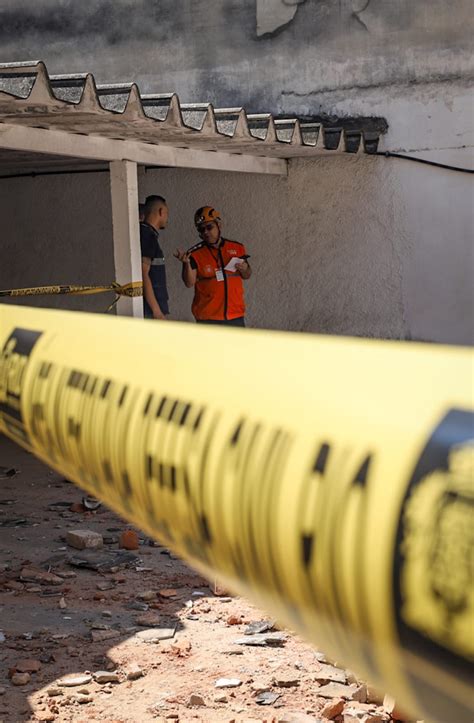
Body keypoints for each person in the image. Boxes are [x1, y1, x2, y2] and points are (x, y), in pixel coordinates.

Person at [174, 206, 251, 326]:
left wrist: (245, 268)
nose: (205, 232)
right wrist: (186, 264)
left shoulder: (237, 248)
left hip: (235, 316)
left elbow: (247, 275)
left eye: (209, 227)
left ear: (219, 226)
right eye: (201, 229)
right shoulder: (194, 254)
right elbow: (189, 283)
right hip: (208, 318)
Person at [140, 195, 169, 320]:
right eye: (167, 213)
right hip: (149, 312)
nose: (167, 217)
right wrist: (156, 311)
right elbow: (143, 273)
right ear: (161, 212)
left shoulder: (146, 233)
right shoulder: (147, 236)